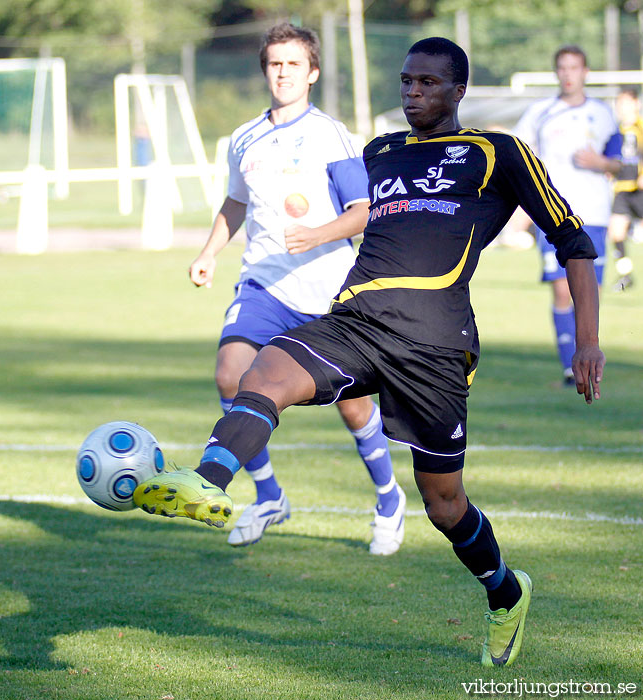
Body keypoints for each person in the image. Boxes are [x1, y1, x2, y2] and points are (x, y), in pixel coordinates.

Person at [135, 37, 605, 667]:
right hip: (356, 320)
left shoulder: (496, 152)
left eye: (429, 83)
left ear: (458, 90)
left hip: (436, 343)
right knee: (261, 371)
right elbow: (351, 210)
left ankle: (504, 589)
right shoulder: (380, 152)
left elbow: (572, 243)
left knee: (443, 503)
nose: (414, 93)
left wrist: (588, 345)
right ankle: (206, 482)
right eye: (407, 82)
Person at [186, 23, 405, 555]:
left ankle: (389, 496)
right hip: (263, 284)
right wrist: (209, 251)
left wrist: (316, 235)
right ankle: (268, 495)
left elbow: (363, 212)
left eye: (292, 64)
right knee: (232, 375)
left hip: (329, 293)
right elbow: (235, 203)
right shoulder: (243, 138)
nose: (282, 72)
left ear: (312, 72)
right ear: (265, 70)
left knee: (353, 408)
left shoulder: (330, 134)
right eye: (274, 63)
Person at [515, 45, 620, 385]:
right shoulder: (539, 113)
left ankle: (590, 358)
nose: (568, 74)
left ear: (585, 72)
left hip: (594, 213)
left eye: (574, 67)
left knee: (591, 292)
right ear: (556, 72)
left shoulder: (603, 114)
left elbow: (623, 163)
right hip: (554, 214)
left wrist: (601, 163)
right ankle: (567, 366)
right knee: (563, 289)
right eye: (562, 67)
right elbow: (517, 158)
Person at [608, 87, 642, 292]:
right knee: (616, 233)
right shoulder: (616, 130)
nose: (622, 108)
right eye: (619, 104)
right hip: (622, 189)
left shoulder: (640, 126)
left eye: (626, 103)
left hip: (639, 189)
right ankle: (626, 275)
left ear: (636, 104)